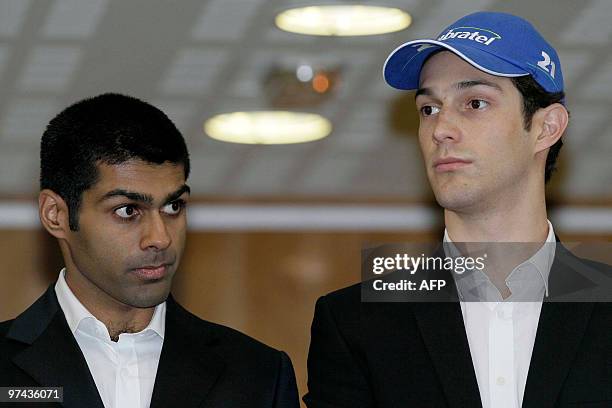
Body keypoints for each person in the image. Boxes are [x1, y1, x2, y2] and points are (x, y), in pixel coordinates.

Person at [304, 12, 611, 408]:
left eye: (474, 103)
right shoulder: (356, 322)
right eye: (429, 109)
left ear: (545, 127)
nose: (440, 128)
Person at [0, 93, 299, 408]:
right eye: (128, 210)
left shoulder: (258, 374)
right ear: (56, 215)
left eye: (173, 206)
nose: (160, 238)